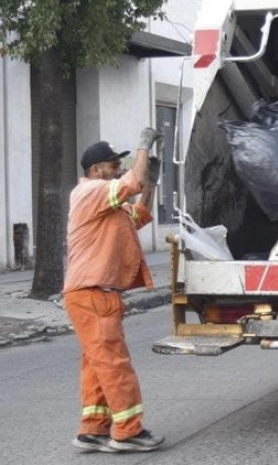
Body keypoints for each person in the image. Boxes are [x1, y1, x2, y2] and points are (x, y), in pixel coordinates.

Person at [65, 128, 165, 454]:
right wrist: (143, 147)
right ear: (96, 170)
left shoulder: (109, 205)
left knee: (97, 363)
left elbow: (141, 214)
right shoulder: (91, 191)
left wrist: (150, 181)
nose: (118, 169)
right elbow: (130, 183)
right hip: (93, 292)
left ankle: (92, 429)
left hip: (92, 293)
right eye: (112, 164)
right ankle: (128, 431)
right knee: (114, 363)